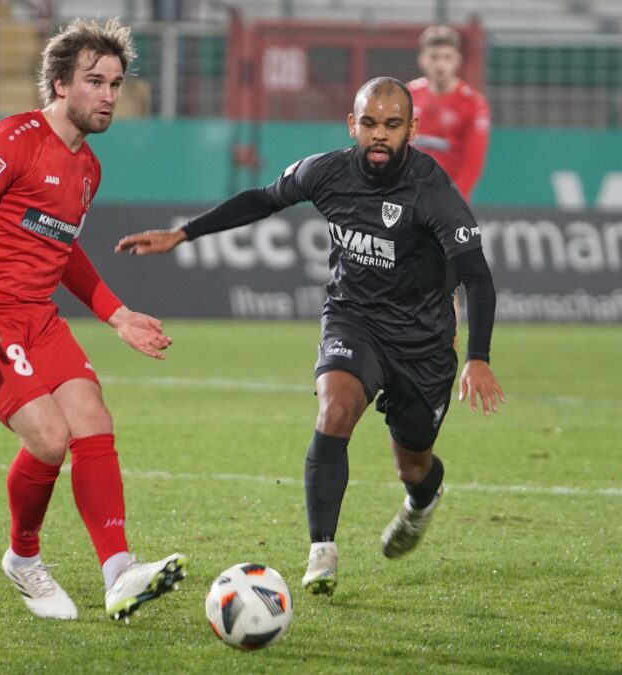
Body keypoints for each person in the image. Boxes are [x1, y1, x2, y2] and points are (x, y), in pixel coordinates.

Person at [114, 77, 505, 595]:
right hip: (354, 317)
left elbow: (477, 276)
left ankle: (422, 500)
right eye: (369, 124)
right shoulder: (326, 172)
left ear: (412, 128)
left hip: (423, 341)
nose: (380, 136)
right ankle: (322, 549)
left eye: (392, 125)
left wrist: (478, 356)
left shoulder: (433, 192)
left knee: (413, 462)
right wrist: (184, 233)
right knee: (334, 408)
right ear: (352, 124)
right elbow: (262, 198)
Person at [0, 17, 186, 623]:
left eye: (116, 84)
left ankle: (119, 573)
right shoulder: (10, 141)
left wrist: (117, 317)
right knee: (48, 437)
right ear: (61, 84)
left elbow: (61, 248)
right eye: (96, 82)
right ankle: (23, 559)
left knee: (92, 417)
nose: (109, 96)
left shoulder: (88, 170)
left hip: (36, 319)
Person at [408, 24, 491, 202]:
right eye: (434, 57)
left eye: (447, 57)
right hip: (408, 197)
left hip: (447, 199)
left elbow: (472, 164)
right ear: (422, 59)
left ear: (457, 60)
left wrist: (452, 201)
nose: (440, 64)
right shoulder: (409, 94)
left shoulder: (473, 104)